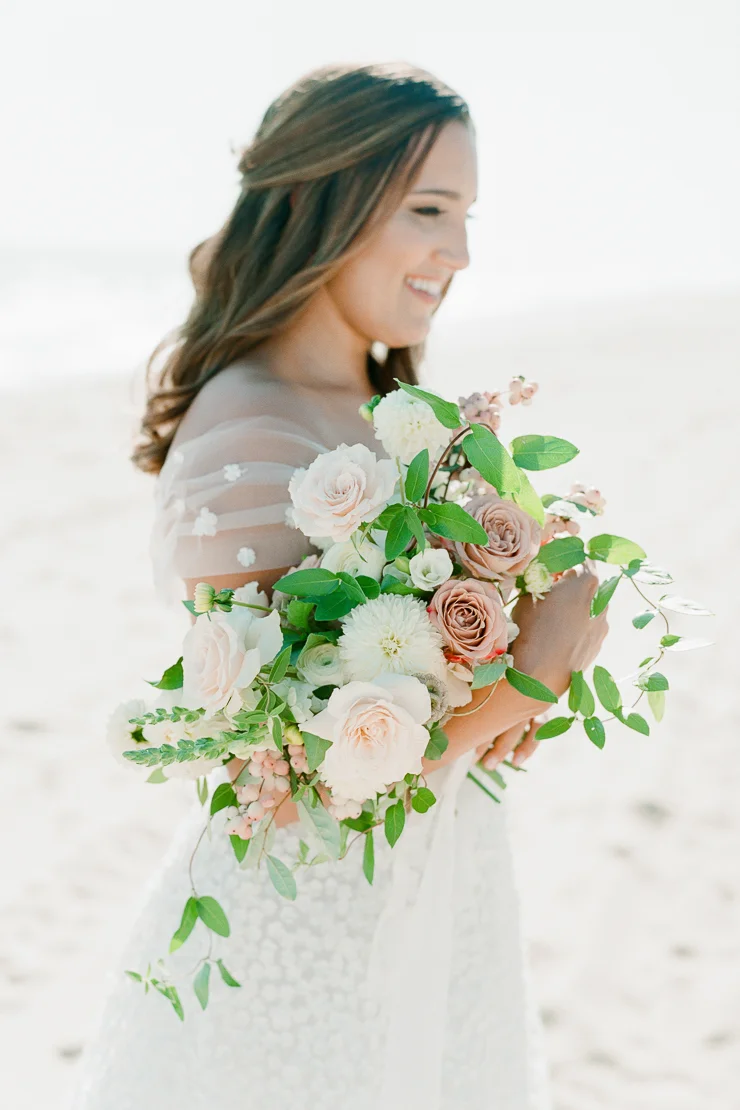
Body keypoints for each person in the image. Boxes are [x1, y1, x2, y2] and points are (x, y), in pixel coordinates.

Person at [71, 61, 608, 1110]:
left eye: (463, 214)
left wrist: (538, 614)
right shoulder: (249, 428)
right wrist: (532, 673)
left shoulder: (385, 409)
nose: (457, 252)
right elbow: (304, 790)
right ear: (326, 199)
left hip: (436, 910)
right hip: (305, 951)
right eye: (428, 209)